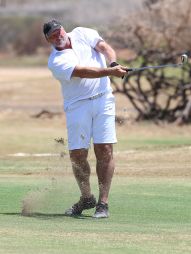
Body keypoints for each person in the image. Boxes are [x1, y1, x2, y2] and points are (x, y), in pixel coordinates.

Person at [43, 19, 127, 218]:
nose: (58, 35)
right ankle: (86, 197)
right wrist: (110, 72)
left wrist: (113, 62)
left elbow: (104, 47)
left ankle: (103, 203)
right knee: (78, 155)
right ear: (48, 40)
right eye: (53, 35)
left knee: (104, 149)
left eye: (59, 30)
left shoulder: (81, 33)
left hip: (103, 99)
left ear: (63, 29)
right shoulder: (56, 60)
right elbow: (83, 72)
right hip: (77, 106)